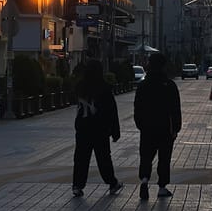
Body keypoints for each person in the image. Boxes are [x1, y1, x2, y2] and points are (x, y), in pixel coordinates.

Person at [72, 59, 124, 198]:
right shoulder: (104, 88)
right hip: (100, 129)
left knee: (81, 158)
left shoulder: (80, 87)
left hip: (83, 129)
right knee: (104, 158)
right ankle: (112, 182)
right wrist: (115, 131)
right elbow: (112, 112)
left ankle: (77, 185)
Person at [134, 52, 182, 200]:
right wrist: (176, 127)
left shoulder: (143, 85)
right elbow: (175, 109)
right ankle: (162, 187)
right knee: (164, 157)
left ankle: (144, 180)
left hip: (147, 127)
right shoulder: (169, 85)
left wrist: (140, 124)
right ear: (163, 66)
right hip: (165, 127)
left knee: (146, 156)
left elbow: (137, 107)